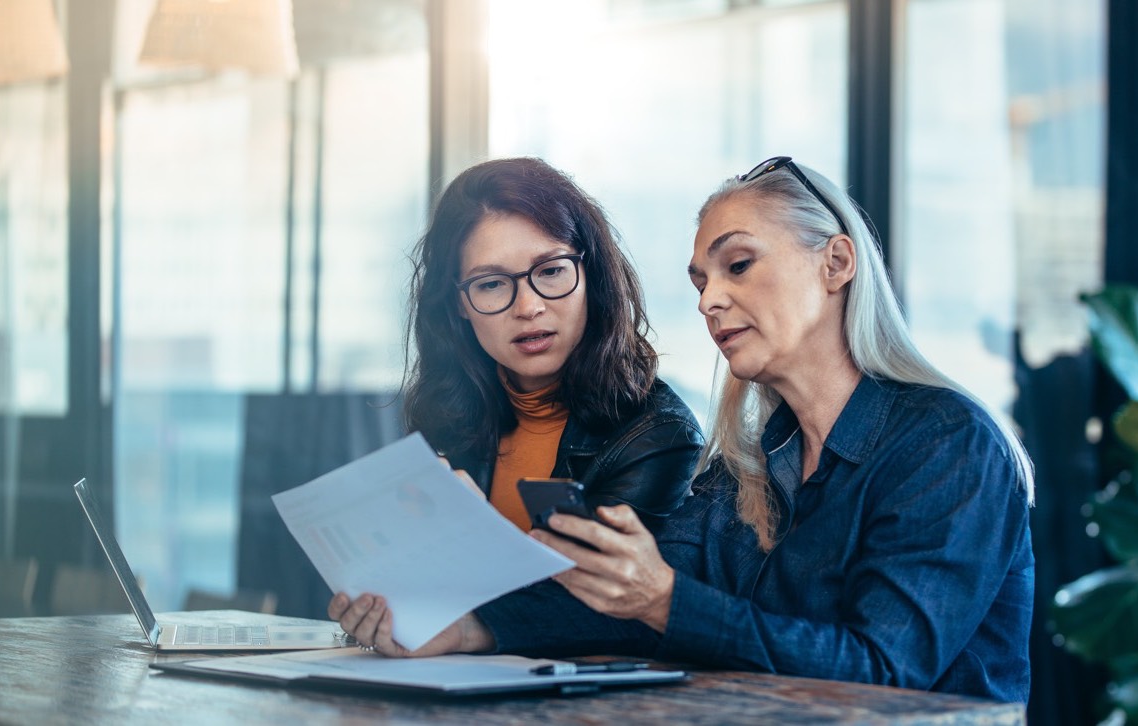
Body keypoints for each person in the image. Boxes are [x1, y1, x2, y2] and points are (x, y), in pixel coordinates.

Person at [330, 156, 1036, 704]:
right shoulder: (750, 462)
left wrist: (666, 598)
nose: (712, 300)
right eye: (701, 281)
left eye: (738, 265)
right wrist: (466, 629)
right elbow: (624, 603)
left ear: (837, 263)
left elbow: (885, 672)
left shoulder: (947, 444)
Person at [401, 156, 702, 531]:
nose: (529, 308)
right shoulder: (449, 415)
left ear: (591, 274)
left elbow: (597, 590)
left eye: (551, 271)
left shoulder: (657, 437)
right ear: (459, 304)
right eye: (491, 284)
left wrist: (478, 537)